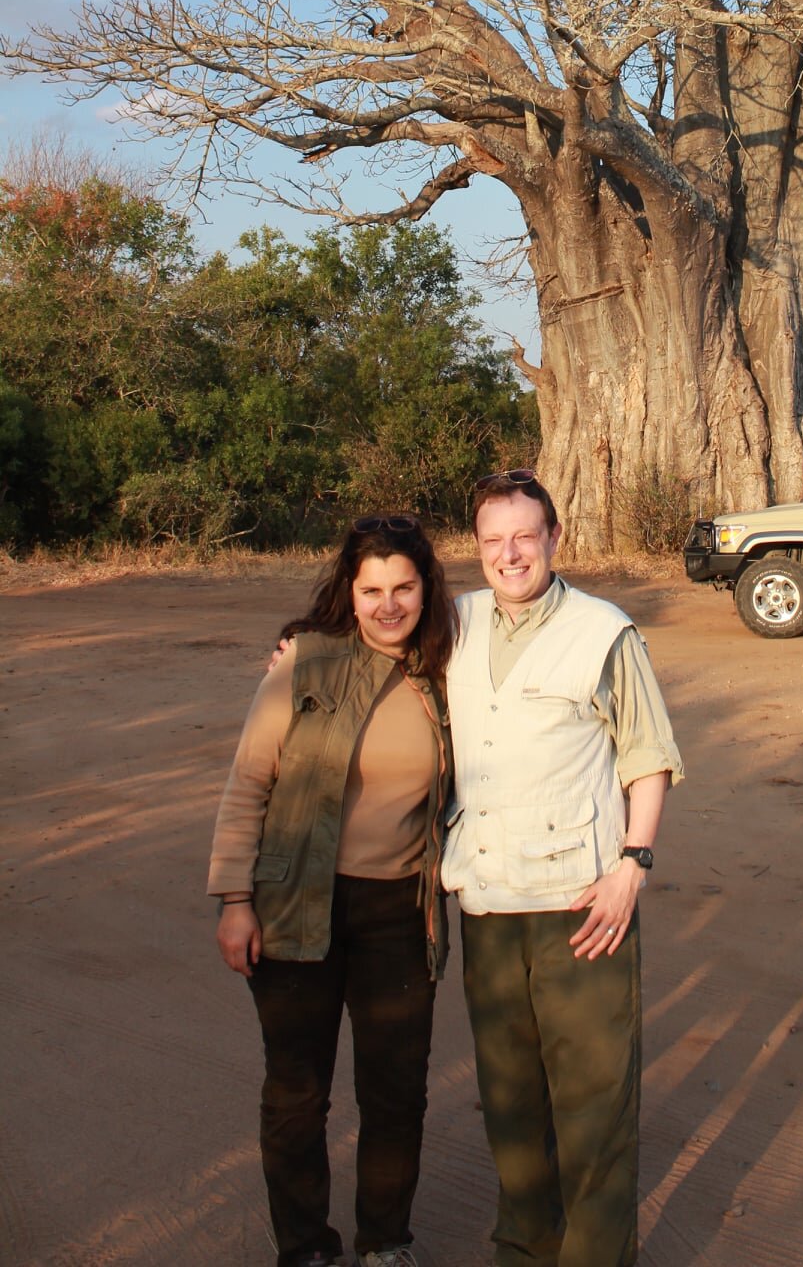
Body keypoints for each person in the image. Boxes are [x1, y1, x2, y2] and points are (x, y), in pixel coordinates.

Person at [443, 469, 683, 1267]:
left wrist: (632, 865)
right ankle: (526, 1250)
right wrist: (297, 644)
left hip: (583, 906)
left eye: (525, 536)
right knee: (511, 1106)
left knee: (594, 1109)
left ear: (555, 538)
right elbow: (368, 631)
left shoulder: (602, 630)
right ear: (476, 548)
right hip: (485, 903)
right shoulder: (457, 623)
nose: (510, 555)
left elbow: (646, 757)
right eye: (493, 541)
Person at [209, 514, 455, 1267]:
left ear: (426, 588)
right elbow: (249, 781)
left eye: (404, 587)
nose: (388, 605)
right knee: (297, 1093)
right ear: (348, 593)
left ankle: (385, 1241)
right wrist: (234, 900)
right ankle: (305, 1249)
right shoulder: (304, 663)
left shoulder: (449, 673)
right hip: (294, 905)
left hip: (398, 913)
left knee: (395, 1093)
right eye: (372, 588)